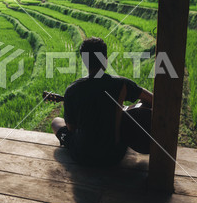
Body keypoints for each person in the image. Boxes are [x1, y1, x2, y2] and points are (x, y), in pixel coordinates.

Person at [51, 37, 153, 166]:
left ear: (84, 61)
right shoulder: (122, 84)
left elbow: (71, 128)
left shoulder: (72, 89)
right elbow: (153, 100)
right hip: (114, 155)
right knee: (144, 105)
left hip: (82, 154)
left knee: (56, 122)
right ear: (105, 60)